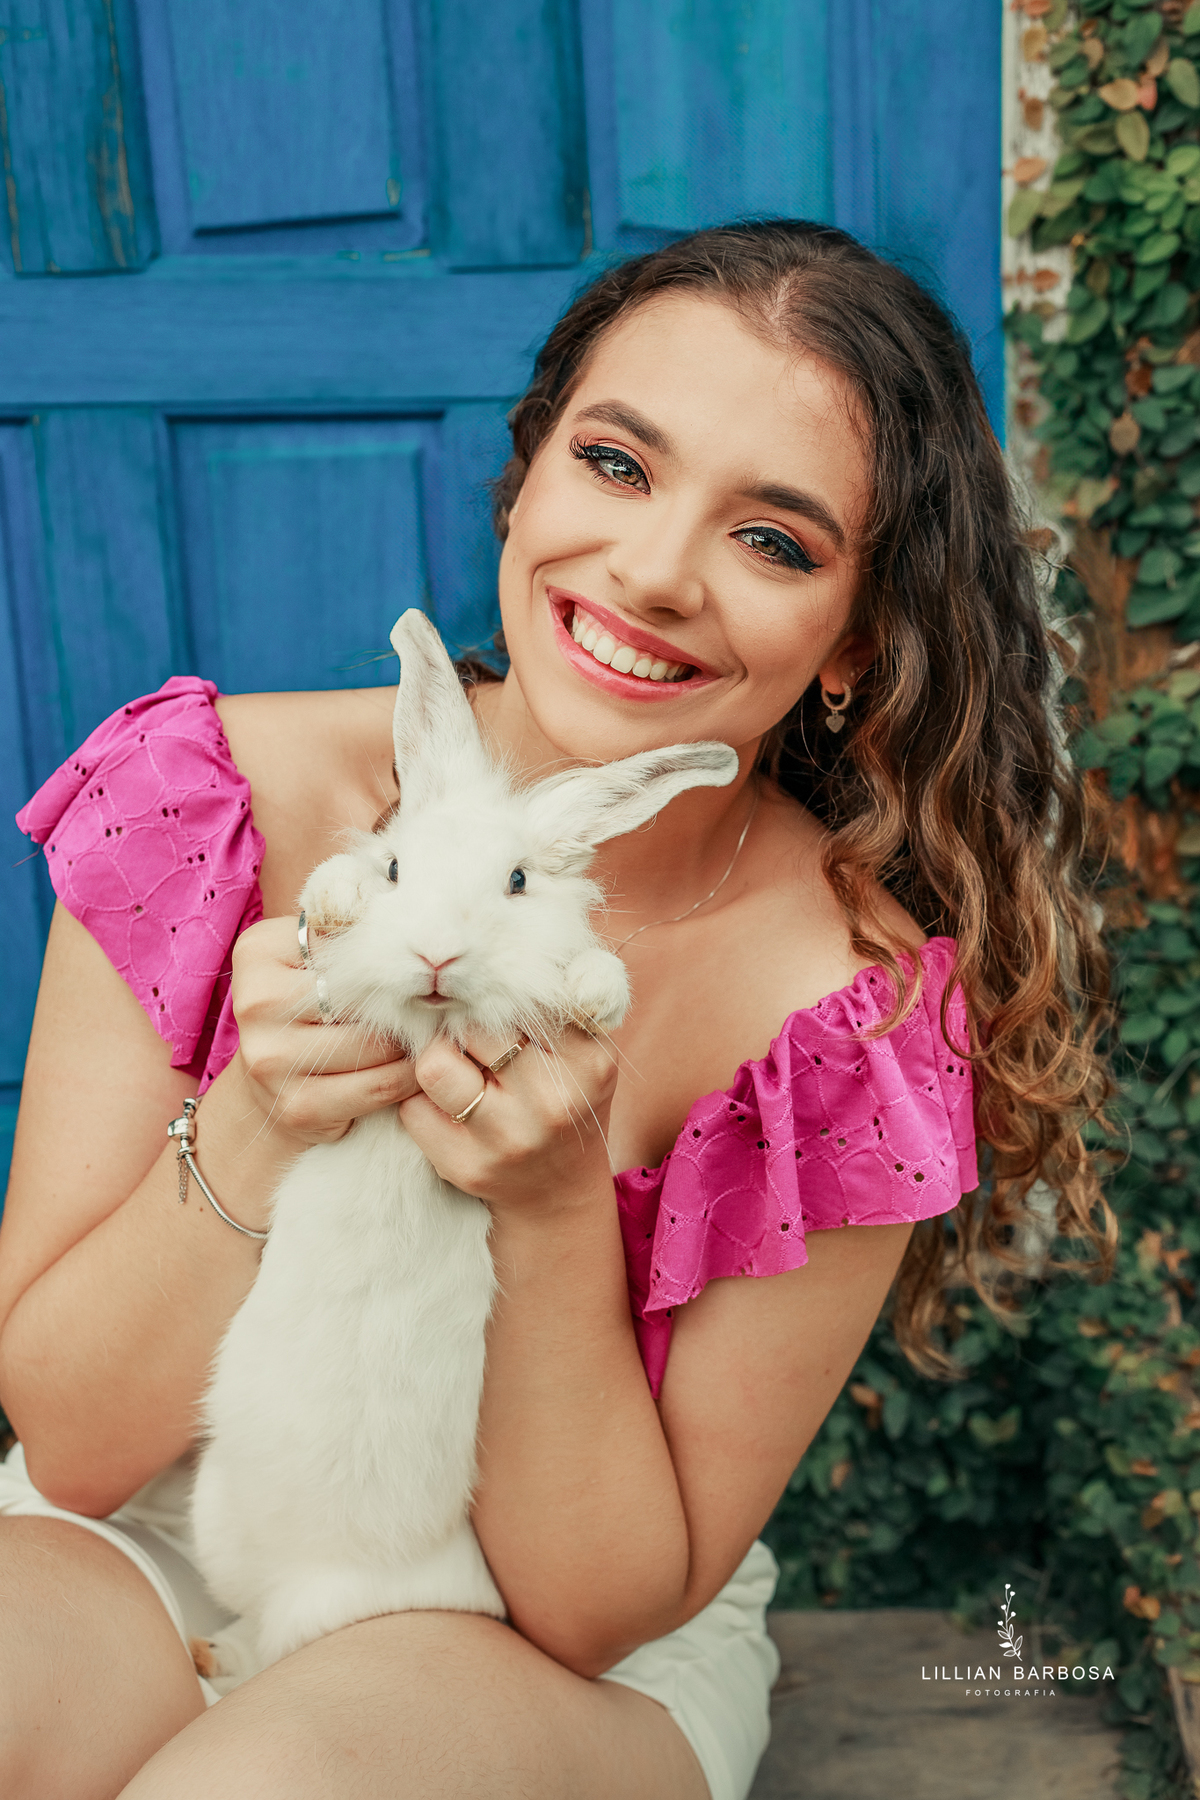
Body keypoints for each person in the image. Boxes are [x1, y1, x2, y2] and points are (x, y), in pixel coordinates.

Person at [0, 220, 1110, 1800]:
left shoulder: (850, 1021)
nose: (652, 571)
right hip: (167, 1517)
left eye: (776, 541)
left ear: (858, 643)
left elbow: (592, 1607)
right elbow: (74, 1440)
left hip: (530, 1626)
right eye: (615, 462)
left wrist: (545, 1201)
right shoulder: (208, 797)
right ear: (525, 479)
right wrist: (254, 1118)